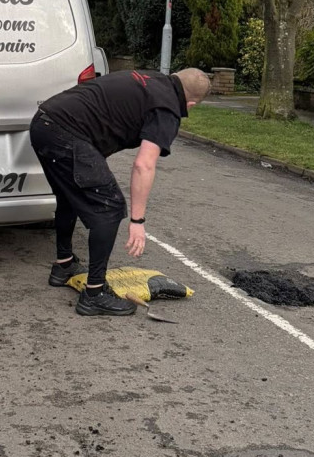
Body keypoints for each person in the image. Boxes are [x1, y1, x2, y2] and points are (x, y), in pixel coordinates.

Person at [30, 67, 212, 315]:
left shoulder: (151, 79)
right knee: (110, 207)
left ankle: (64, 266)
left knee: (70, 195)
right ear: (190, 104)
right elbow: (144, 164)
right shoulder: (167, 109)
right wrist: (137, 220)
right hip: (65, 132)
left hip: (43, 122)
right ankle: (94, 294)